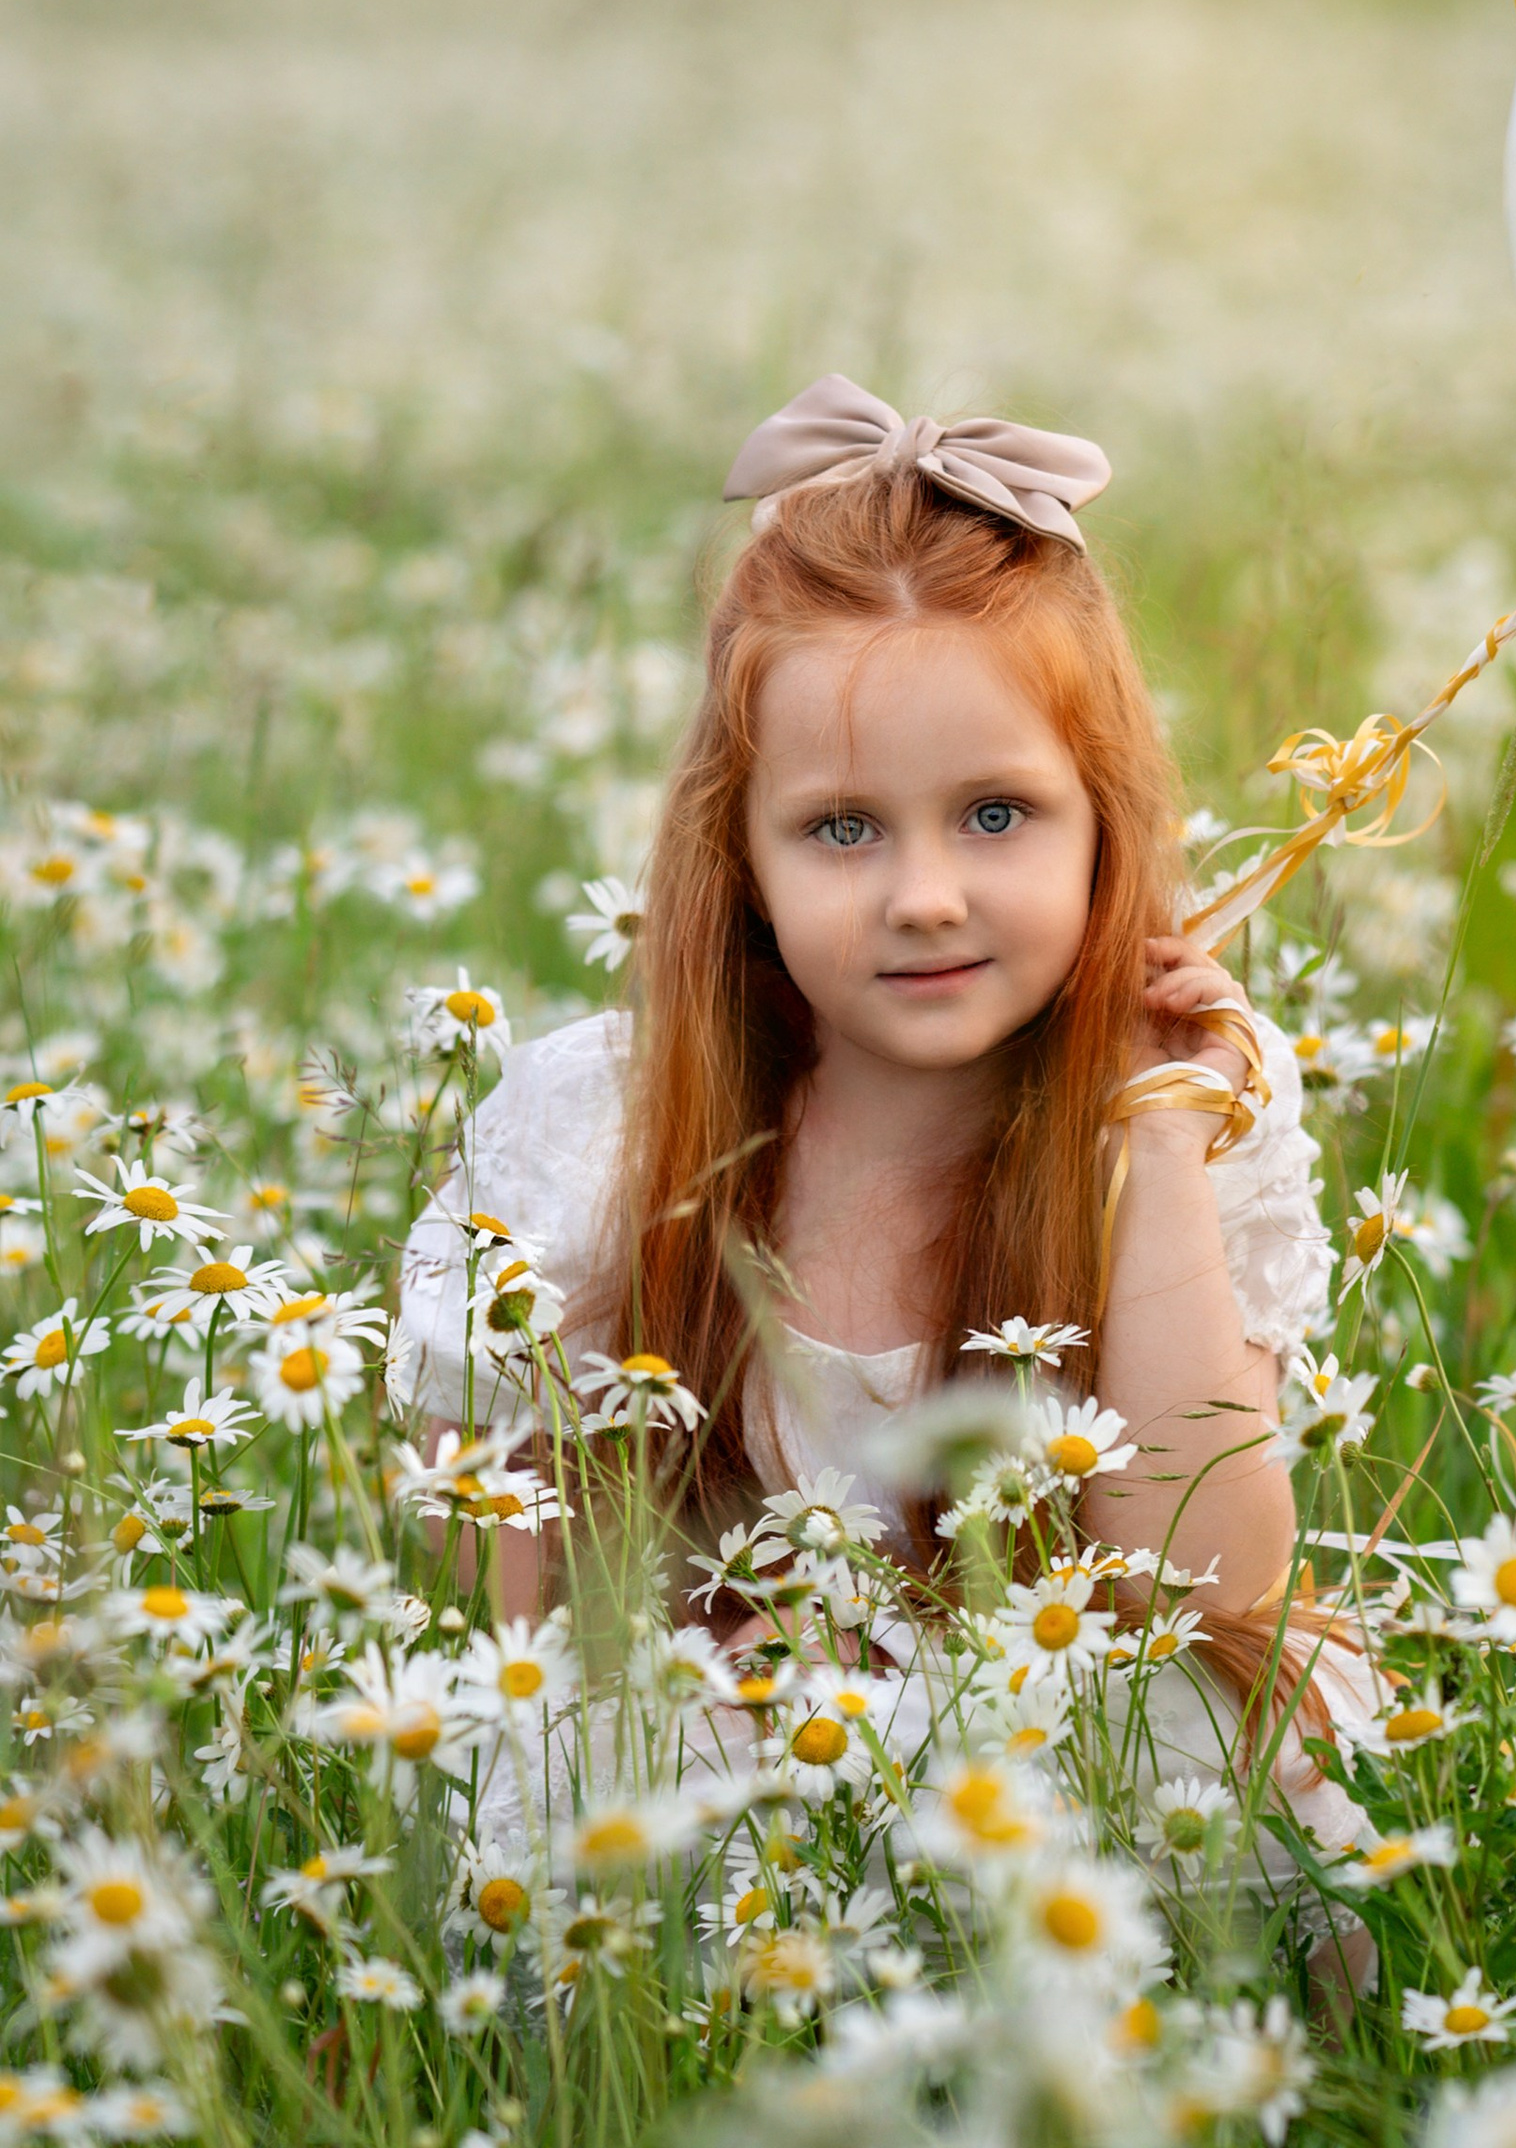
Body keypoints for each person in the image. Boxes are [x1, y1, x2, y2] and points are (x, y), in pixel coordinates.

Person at [396, 377, 1371, 1866]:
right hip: (720, 1763)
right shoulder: (604, 1127)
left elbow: (1209, 1585)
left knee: (1209, 1731)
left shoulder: (1175, 1118)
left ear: (1104, 824)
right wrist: (722, 1676)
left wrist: (1161, 1147)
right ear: (743, 859)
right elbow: (509, 1611)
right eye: (844, 829)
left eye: (996, 815)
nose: (925, 895)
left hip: (1055, 1754)